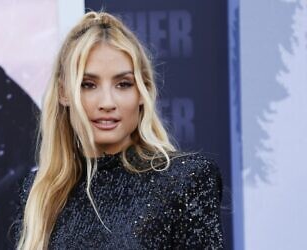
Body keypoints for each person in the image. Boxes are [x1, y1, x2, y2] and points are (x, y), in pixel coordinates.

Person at [14, 11, 224, 250]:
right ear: (64, 93)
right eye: (88, 85)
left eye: (123, 84)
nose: (107, 102)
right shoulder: (41, 191)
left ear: (142, 92)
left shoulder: (186, 179)